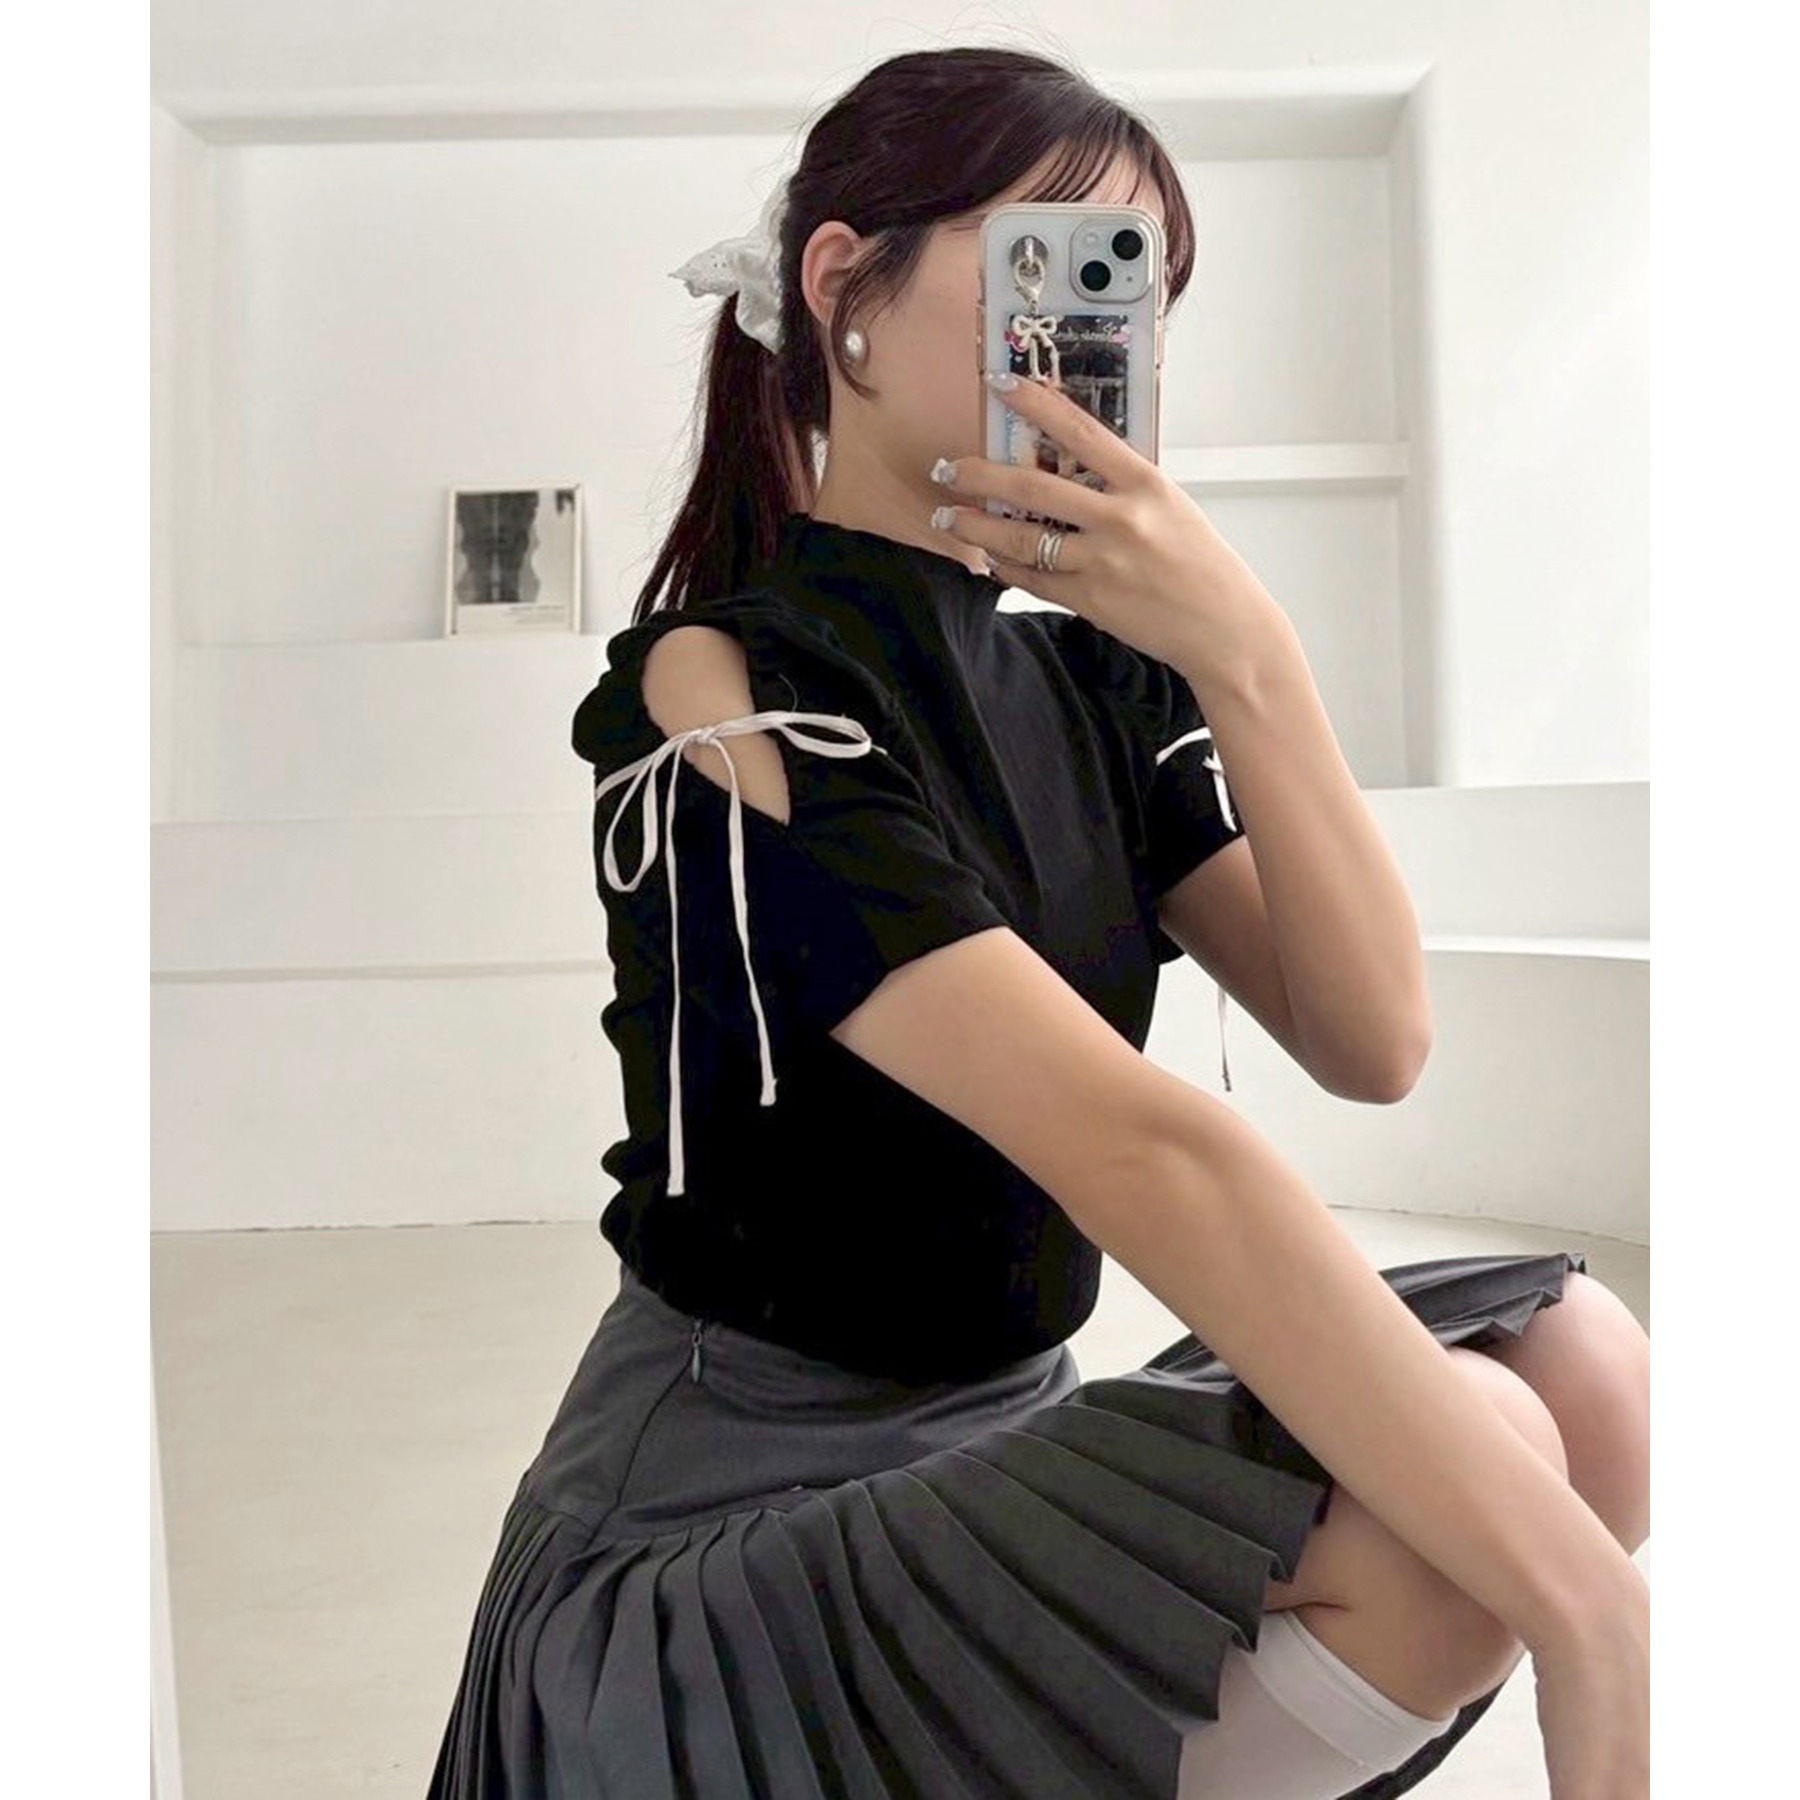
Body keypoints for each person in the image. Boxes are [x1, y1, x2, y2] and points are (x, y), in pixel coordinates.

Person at [425, 45, 1649, 1800]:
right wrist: (1594, 1617)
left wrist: (1249, 655)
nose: (1089, 332)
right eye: (1047, 263)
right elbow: (1142, 1152)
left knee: (1582, 1368)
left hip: (994, 1443)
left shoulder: (1096, 685)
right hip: (719, 1540)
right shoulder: (723, 688)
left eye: (1132, 289)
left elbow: (1373, 1037)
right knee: (1490, 1468)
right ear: (843, 285)